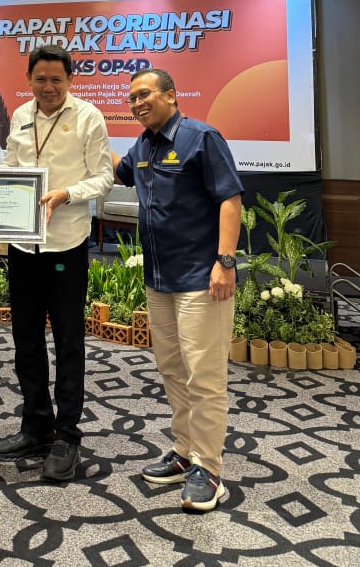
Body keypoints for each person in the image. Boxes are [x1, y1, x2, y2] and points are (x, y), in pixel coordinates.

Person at [113, 68, 243, 513]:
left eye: (145, 94)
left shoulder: (201, 137)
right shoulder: (143, 145)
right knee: (172, 369)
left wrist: (225, 262)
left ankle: (209, 468)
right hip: (159, 280)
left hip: (200, 279)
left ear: (171, 95)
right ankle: (185, 451)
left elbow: (230, 199)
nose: (137, 103)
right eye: (132, 98)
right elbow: (117, 172)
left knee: (204, 376)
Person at [0, 45, 114, 482]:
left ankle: (67, 435)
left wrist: (68, 195)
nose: (48, 87)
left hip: (66, 245)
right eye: (40, 79)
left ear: (70, 80)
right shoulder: (20, 115)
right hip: (24, 246)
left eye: (56, 80)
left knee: (68, 341)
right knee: (25, 339)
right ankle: (36, 425)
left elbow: (104, 177)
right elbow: (13, 166)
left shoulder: (88, 117)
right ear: (29, 79)